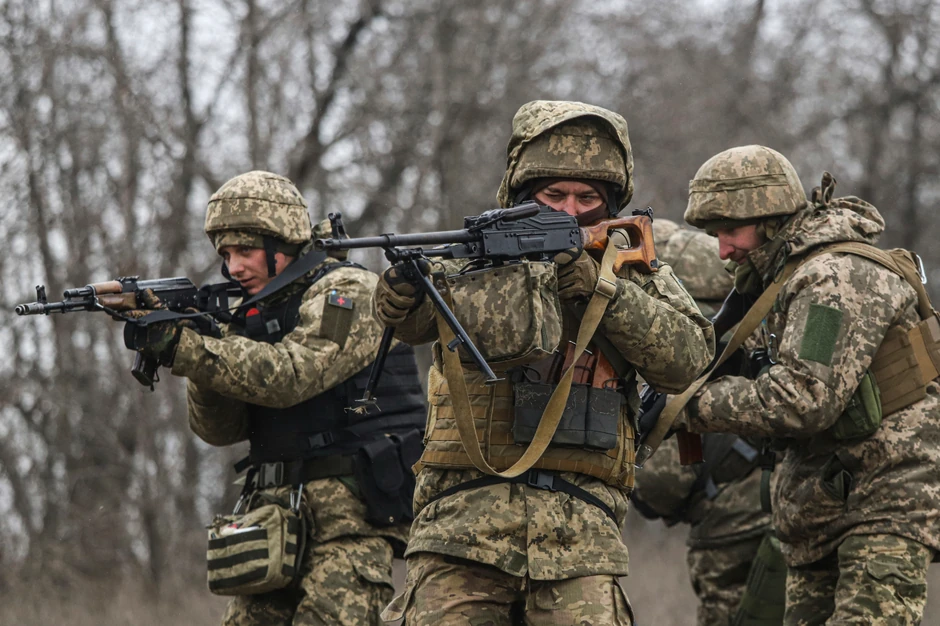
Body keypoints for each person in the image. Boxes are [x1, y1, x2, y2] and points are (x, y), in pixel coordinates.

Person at [375, 100, 715, 625]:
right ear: (521, 197)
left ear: (611, 203)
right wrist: (397, 301)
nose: (571, 210)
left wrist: (602, 292)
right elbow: (415, 323)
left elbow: (688, 359)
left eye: (587, 197)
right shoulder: (472, 260)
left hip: (581, 537)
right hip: (461, 528)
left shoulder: (631, 269)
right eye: (553, 196)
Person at [122, 170, 426, 625]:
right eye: (226, 254)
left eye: (245, 251)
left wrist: (188, 348)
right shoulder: (252, 312)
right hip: (271, 520)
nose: (234, 267)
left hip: (351, 519)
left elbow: (294, 374)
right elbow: (218, 431)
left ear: (282, 244)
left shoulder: (349, 292)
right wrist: (199, 344)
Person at [676, 145, 940, 625]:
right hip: (821, 506)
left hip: (885, 502)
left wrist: (690, 405)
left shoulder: (833, 280)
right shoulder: (784, 278)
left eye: (730, 231)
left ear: (770, 220)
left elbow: (802, 398)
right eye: (715, 235)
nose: (723, 250)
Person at [631, 218, 784, 626]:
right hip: (761, 498)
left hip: (736, 511)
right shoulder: (714, 278)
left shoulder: (659, 280)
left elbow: (660, 487)